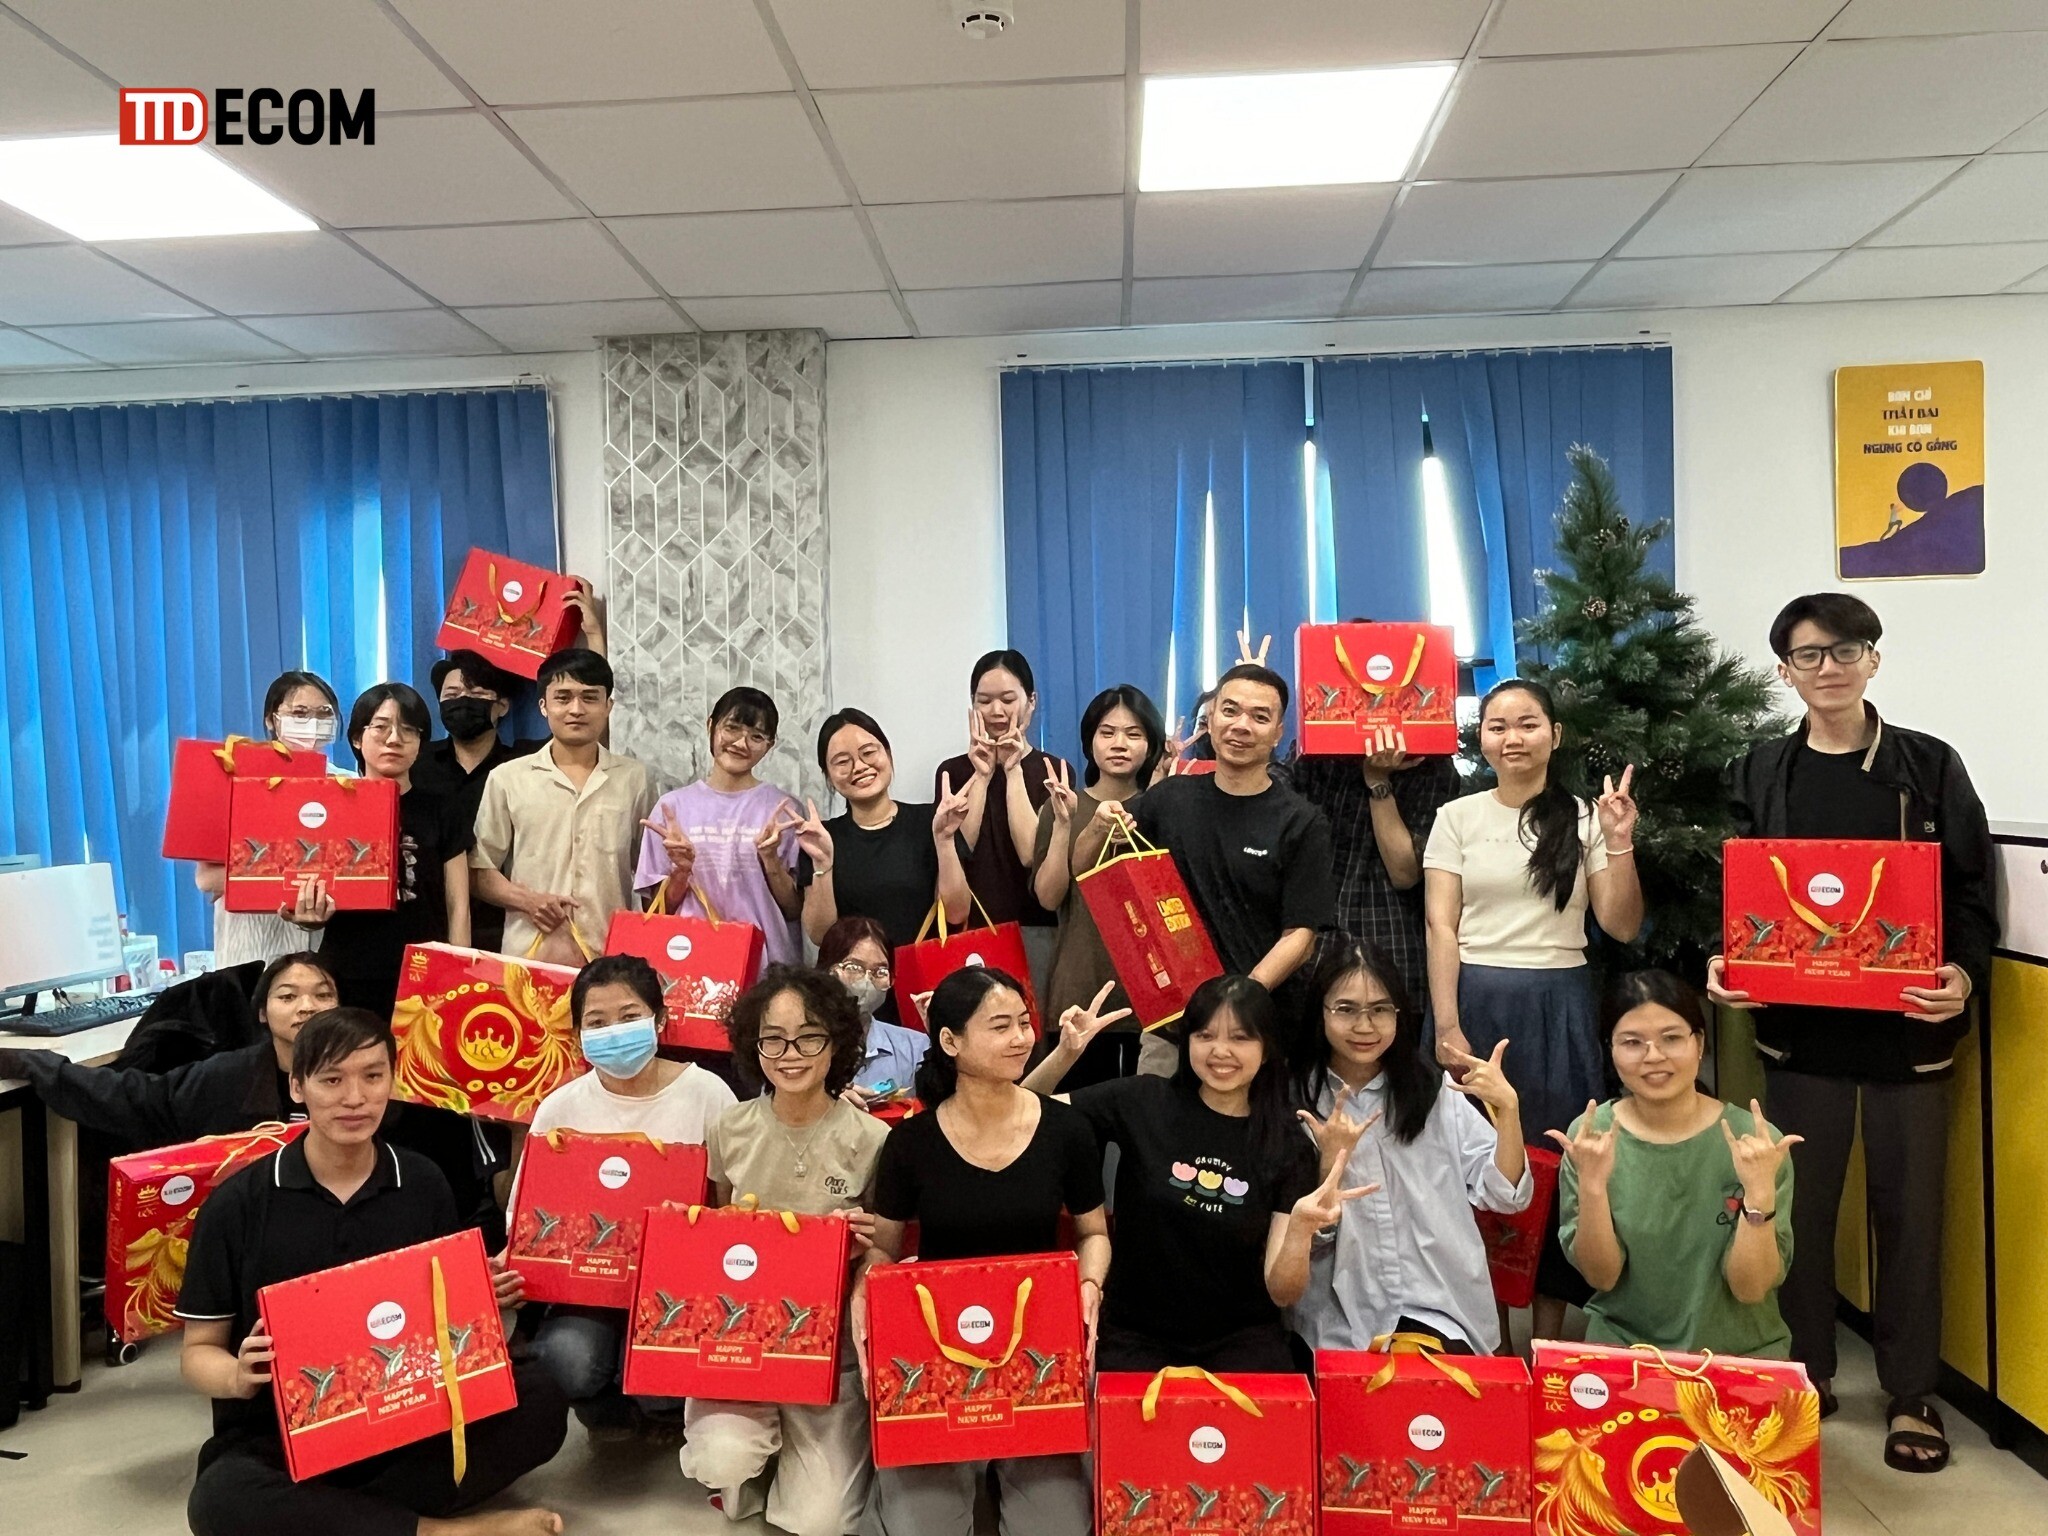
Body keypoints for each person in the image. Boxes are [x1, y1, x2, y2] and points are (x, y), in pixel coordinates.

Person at [1707, 593, 1993, 1473]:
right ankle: (1807, 1372)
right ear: (1784, 672)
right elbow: (1734, 890)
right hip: (1799, 1038)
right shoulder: (1760, 771)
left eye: (1844, 651)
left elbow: (1972, 888)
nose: (1827, 669)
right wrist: (1724, 960)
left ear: (1873, 659)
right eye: (1808, 655)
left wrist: (1963, 975)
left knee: (1912, 1218)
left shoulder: (1927, 766)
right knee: (1799, 1211)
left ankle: (1911, 1392)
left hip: (1909, 1037)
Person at [175, 1007, 568, 1536]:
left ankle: (339, 1520)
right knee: (220, 1498)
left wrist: (478, 1294)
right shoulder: (238, 1204)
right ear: (297, 1086)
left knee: (541, 1398)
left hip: (409, 1414)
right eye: (332, 1080)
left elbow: (445, 1324)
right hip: (280, 1433)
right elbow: (198, 1351)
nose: (355, 1098)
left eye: (372, 1076)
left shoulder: (423, 1182)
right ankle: (436, 1530)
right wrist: (237, 1376)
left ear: (393, 1081)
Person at [853, 967, 1110, 1536]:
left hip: (1036, 1353)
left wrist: (1089, 1285)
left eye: (1024, 1023)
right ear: (951, 1041)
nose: (1020, 1038)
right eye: (1000, 1026)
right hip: (935, 1352)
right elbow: (885, 1252)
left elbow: (1093, 1233)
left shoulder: (1066, 1129)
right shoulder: (911, 1142)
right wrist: (862, 1293)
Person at [1423, 677, 1641, 1341]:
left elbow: (1621, 925)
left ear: (1555, 734)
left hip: (1559, 1004)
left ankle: (1548, 1336)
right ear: (1481, 737)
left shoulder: (1584, 817)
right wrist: (1447, 1022)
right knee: (1474, 1162)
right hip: (1476, 1001)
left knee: (1554, 1161)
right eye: (1498, 726)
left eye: (1528, 724)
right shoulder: (1457, 817)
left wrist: (1619, 839)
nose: (1513, 738)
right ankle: (1489, 1338)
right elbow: (1441, 926)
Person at [1025, 974, 1345, 1373]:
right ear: (1187, 1041)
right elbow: (1022, 1114)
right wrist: (1065, 1055)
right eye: (1205, 1035)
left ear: (1266, 1050)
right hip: (1134, 1335)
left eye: (1240, 1038)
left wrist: (1299, 1230)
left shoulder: (1286, 1143)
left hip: (1241, 1340)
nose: (1220, 1051)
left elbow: (1282, 1294)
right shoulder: (1143, 1100)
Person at [679, 966, 888, 1536]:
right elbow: (717, 1230)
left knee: (821, 1521)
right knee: (720, 1458)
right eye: (773, 1039)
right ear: (754, 1045)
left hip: (830, 1346)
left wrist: (864, 1247)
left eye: (809, 1037)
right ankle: (753, 1466)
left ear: (836, 1043)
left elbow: (884, 1251)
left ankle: (799, 1463)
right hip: (742, 1333)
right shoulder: (729, 1128)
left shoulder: (873, 1139)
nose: (790, 1055)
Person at [1073, 664, 1336, 1073]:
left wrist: (1239, 999)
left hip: (1257, 1026)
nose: (1241, 725)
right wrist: (1095, 827)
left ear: (1278, 733)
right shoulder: (1169, 799)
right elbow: (1084, 868)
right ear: (1210, 720)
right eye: (1230, 710)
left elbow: (1300, 937)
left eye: (1259, 716)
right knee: (1157, 1113)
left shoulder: (1301, 822)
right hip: (1171, 1029)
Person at [521, 954, 736, 1438]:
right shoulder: (559, 1108)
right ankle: (606, 1412)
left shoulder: (709, 1094)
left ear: (660, 1019)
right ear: (578, 1034)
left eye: (629, 1016)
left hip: (680, 1283)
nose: (614, 1032)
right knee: (567, 1358)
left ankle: (662, 1411)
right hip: (587, 1287)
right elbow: (527, 1216)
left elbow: (736, 1207)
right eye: (597, 1022)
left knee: (661, 1382)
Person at [1287, 938, 1531, 1354]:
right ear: (1320, 1012)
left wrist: (1508, 1111)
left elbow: (1506, 1195)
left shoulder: (1434, 1092)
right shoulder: (1298, 1100)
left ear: (1399, 1013)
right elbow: (1296, 1240)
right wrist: (1328, 1165)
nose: (1365, 1026)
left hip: (1440, 1307)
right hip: (1337, 1320)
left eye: (1380, 1009)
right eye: (1346, 1009)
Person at [1556, 970, 1797, 1361]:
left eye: (1671, 1038)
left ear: (1699, 1043)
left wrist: (1758, 1194)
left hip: (1740, 1354)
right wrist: (1593, 1186)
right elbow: (1602, 1277)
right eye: (1632, 1042)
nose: (1654, 1056)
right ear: (1610, 1049)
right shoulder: (1591, 1137)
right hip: (1625, 1349)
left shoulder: (1755, 1143)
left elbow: (1750, 1289)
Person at [0, 953, 337, 1143]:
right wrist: (36, 1064)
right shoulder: (230, 1077)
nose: (307, 1007)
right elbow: (137, 1096)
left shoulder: (361, 1072)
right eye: (288, 996)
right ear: (262, 1012)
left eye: (322, 995)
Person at [282, 683, 472, 1019]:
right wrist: (308, 917)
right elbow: (309, 890)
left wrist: (459, 971)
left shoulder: (443, 808)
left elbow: (458, 904)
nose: (394, 739)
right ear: (357, 737)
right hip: (345, 970)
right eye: (381, 727)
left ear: (420, 743)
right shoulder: (330, 805)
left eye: (408, 730)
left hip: (423, 970)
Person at [470, 648, 657, 966]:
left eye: (590, 698)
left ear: (608, 706)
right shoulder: (508, 779)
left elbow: (651, 876)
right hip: (530, 955)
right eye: (563, 697)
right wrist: (529, 901)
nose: (576, 709)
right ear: (543, 705)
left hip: (611, 958)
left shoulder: (635, 779)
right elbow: (479, 870)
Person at [1030, 684, 1166, 1086]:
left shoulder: (1164, 808)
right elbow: (1049, 898)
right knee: (1078, 1116)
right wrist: (1065, 825)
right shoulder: (1062, 805)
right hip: (1080, 989)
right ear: (1090, 740)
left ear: (1151, 744)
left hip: (1155, 996)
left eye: (1133, 733)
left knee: (1143, 1117)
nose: (1119, 743)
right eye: (1107, 732)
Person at [1290, 723, 1461, 1004]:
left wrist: (1378, 781)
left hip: (1392, 939)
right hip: (1314, 943)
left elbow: (1404, 873)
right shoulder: (1316, 749)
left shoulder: (1433, 766)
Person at [932, 651, 1071, 992]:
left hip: (1036, 932)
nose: (996, 711)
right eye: (984, 701)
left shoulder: (1053, 770)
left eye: (1008, 700)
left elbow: (1031, 854)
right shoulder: (952, 772)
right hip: (971, 934)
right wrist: (981, 776)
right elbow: (961, 848)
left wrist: (1013, 770)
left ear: (1031, 701)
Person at [635, 686, 803, 967]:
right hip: (690, 965)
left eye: (756, 736)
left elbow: (795, 910)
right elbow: (653, 912)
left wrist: (771, 860)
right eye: (732, 728)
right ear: (710, 725)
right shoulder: (672, 808)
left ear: (769, 745)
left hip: (768, 970)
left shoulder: (784, 810)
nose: (741, 743)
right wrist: (681, 871)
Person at [193, 670, 341, 969]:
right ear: (271, 720)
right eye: (299, 713)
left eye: (324, 713)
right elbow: (207, 878)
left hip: (324, 947)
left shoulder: (349, 787)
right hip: (250, 944)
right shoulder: (235, 779)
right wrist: (307, 875)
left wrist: (252, 875)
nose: (313, 722)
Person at [793, 708, 972, 950]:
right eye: (842, 762)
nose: (859, 766)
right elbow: (820, 935)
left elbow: (956, 914)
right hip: (851, 973)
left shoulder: (932, 822)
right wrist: (823, 864)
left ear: (888, 754)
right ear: (828, 776)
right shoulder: (821, 839)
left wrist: (945, 840)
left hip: (921, 970)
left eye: (868, 753)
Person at [412, 650, 547, 954]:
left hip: (508, 927)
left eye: (476, 694)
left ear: (502, 706)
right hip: (428, 924)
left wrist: (594, 636)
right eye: (452, 695)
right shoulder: (416, 764)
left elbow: (578, 732)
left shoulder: (524, 764)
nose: (462, 701)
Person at [814, 915, 928, 1102]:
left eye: (880, 971)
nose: (867, 980)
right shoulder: (800, 1045)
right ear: (827, 972)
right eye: (854, 968)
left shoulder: (916, 1048)